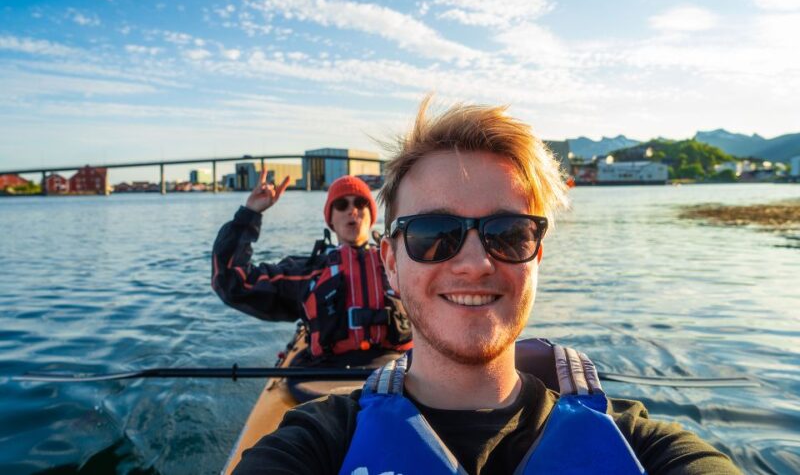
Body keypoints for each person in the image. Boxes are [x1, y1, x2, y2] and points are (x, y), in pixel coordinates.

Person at [232, 98, 741, 474]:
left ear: (537, 252)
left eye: (508, 233)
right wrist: (247, 216)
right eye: (434, 235)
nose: (474, 263)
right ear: (391, 260)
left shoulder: (645, 447)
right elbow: (235, 282)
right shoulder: (314, 446)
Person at [212, 170, 412, 366]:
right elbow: (232, 282)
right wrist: (250, 214)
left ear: (371, 215)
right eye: (342, 205)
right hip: (329, 372)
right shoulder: (309, 273)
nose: (353, 211)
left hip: (396, 369)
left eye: (360, 204)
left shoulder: (401, 264)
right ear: (331, 220)